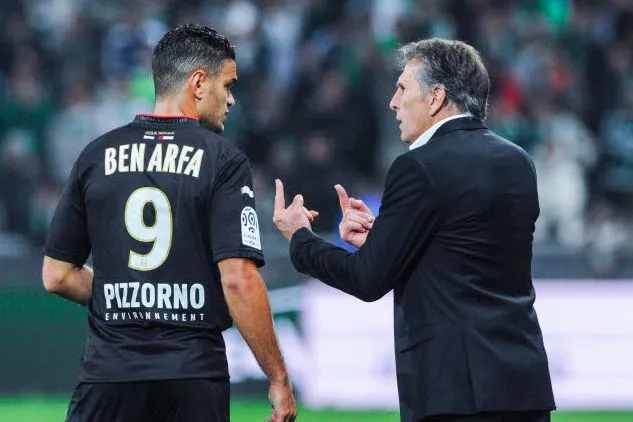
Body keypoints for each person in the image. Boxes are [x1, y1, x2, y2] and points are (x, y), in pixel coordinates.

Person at [273, 38, 555, 422]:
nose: (393, 102)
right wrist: (388, 238)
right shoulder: (518, 162)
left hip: (454, 393)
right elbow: (467, 250)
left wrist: (300, 239)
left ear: (435, 98)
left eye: (402, 88)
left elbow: (367, 279)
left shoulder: (418, 166)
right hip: (523, 386)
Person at [42, 24, 297, 422]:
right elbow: (237, 279)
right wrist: (278, 378)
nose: (231, 99)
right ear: (199, 83)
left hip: (110, 374)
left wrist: (125, 294)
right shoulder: (224, 161)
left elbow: (57, 276)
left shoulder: (95, 155)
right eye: (228, 85)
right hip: (193, 374)